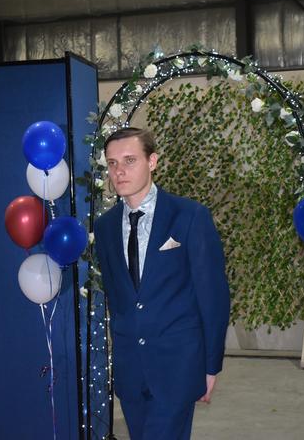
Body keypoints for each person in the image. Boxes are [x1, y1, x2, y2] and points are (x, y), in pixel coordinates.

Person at [93, 127, 230, 440]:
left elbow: (213, 296)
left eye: (129, 160)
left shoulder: (190, 216)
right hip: (131, 370)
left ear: (152, 161)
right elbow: (119, 298)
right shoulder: (104, 227)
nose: (119, 171)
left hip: (178, 366)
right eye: (112, 163)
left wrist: (211, 367)